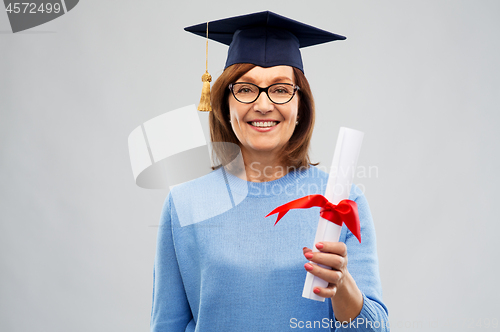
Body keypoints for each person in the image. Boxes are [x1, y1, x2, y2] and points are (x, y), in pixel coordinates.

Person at [150, 11, 389, 331]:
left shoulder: (342, 200)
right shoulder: (185, 203)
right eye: (246, 89)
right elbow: (167, 325)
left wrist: (342, 283)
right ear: (224, 102)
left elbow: (376, 329)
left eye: (280, 89)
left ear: (300, 104)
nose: (263, 105)